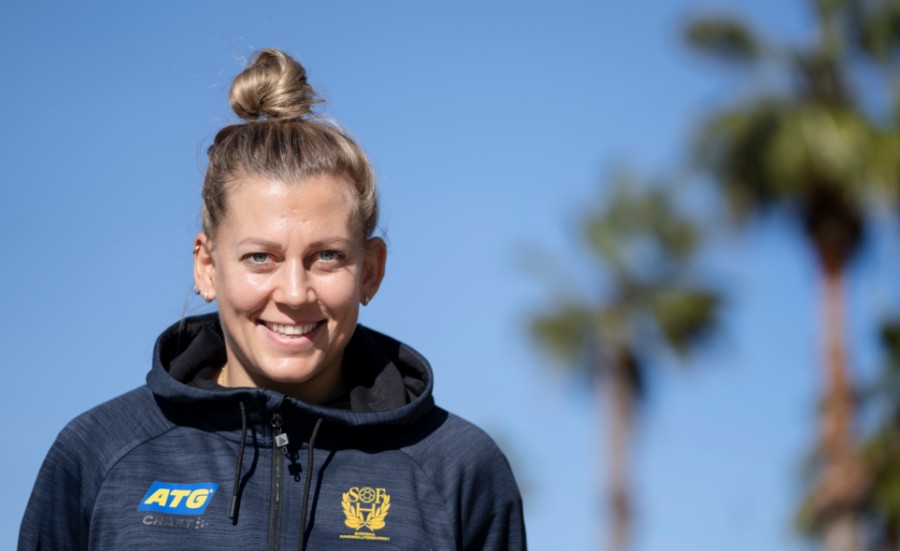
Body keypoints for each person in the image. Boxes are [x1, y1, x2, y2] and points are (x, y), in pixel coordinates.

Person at [19, 48, 526, 551]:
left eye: (326, 256)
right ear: (207, 266)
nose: (294, 293)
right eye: (260, 257)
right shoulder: (99, 455)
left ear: (370, 270)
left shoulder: (457, 471)